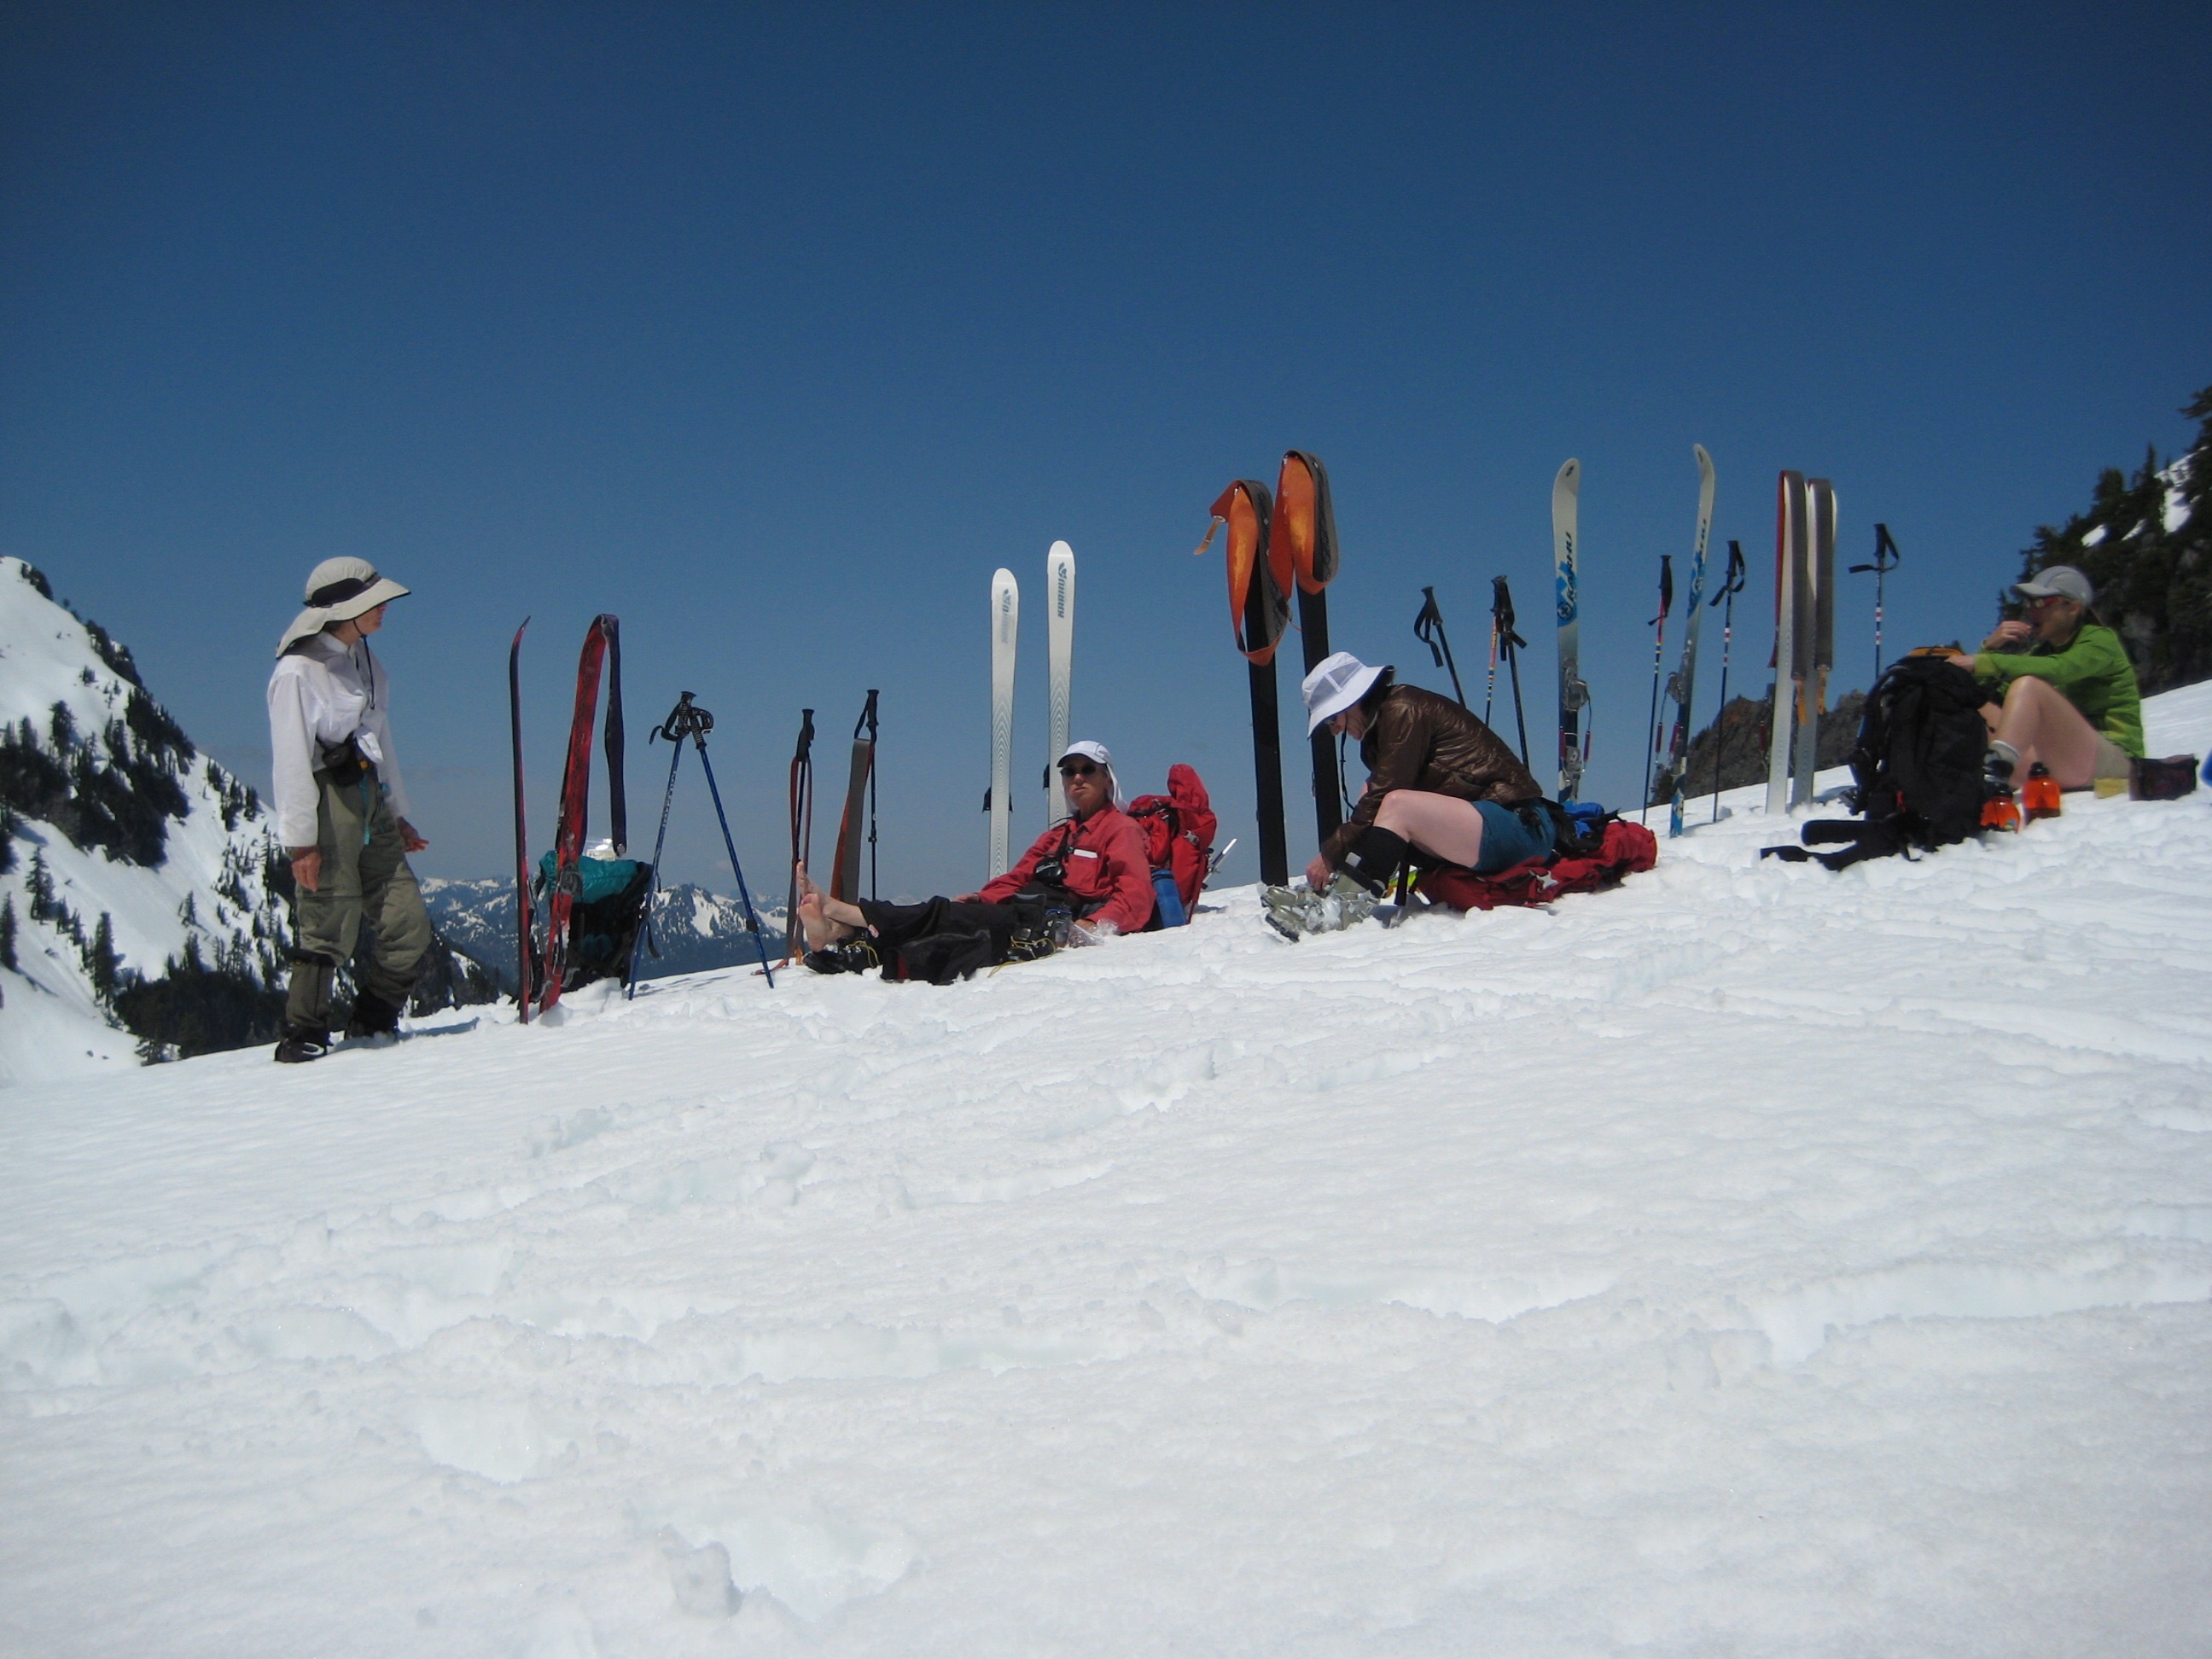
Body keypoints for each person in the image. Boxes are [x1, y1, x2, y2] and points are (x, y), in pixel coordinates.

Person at [796, 739, 1155, 980]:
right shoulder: (1059, 834)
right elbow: (1017, 878)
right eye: (1068, 771)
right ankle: (846, 940)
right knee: (949, 925)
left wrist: (1092, 925)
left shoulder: (1120, 830)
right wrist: (982, 898)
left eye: (1087, 770)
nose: (1077, 778)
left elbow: (1136, 896)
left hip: (1045, 920)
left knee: (943, 917)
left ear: (1107, 779)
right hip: (1019, 908)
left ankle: (843, 913)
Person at [266, 557, 434, 1062]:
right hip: (328, 803)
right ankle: (305, 1034)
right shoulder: (296, 673)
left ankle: (373, 1022)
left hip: (367, 798)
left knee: (408, 924)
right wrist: (301, 842)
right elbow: (291, 761)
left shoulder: (367, 662)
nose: (382, 610)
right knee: (326, 919)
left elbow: (380, 739)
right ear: (345, 609)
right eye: (372, 602)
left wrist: (397, 812)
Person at [1265, 652, 1550, 939]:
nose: (1335, 729)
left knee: (1396, 805)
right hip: (1488, 828)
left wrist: (1330, 854)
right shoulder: (1382, 726)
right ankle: (1333, 891)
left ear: (1350, 702)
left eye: (1331, 719)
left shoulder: (1403, 709)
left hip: (1519, 825)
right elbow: (1377, 797)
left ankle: (1347, 906)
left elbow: (1388, 795)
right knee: (1372, 792)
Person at [1946, 564, 2144, 790]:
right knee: (1978, 705)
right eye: (2029, 603)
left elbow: (2061, 668)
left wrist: (1986, 662)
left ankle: (1996, 771)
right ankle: (1965, 777)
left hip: (2116, 760)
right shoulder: (2042, 653)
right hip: (2066, 760)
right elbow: (1992, 695)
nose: (2032, 611)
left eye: (2041, 602)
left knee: (2028, 686)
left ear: (2073, 608)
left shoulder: (2100, 640)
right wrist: (1988, 648)